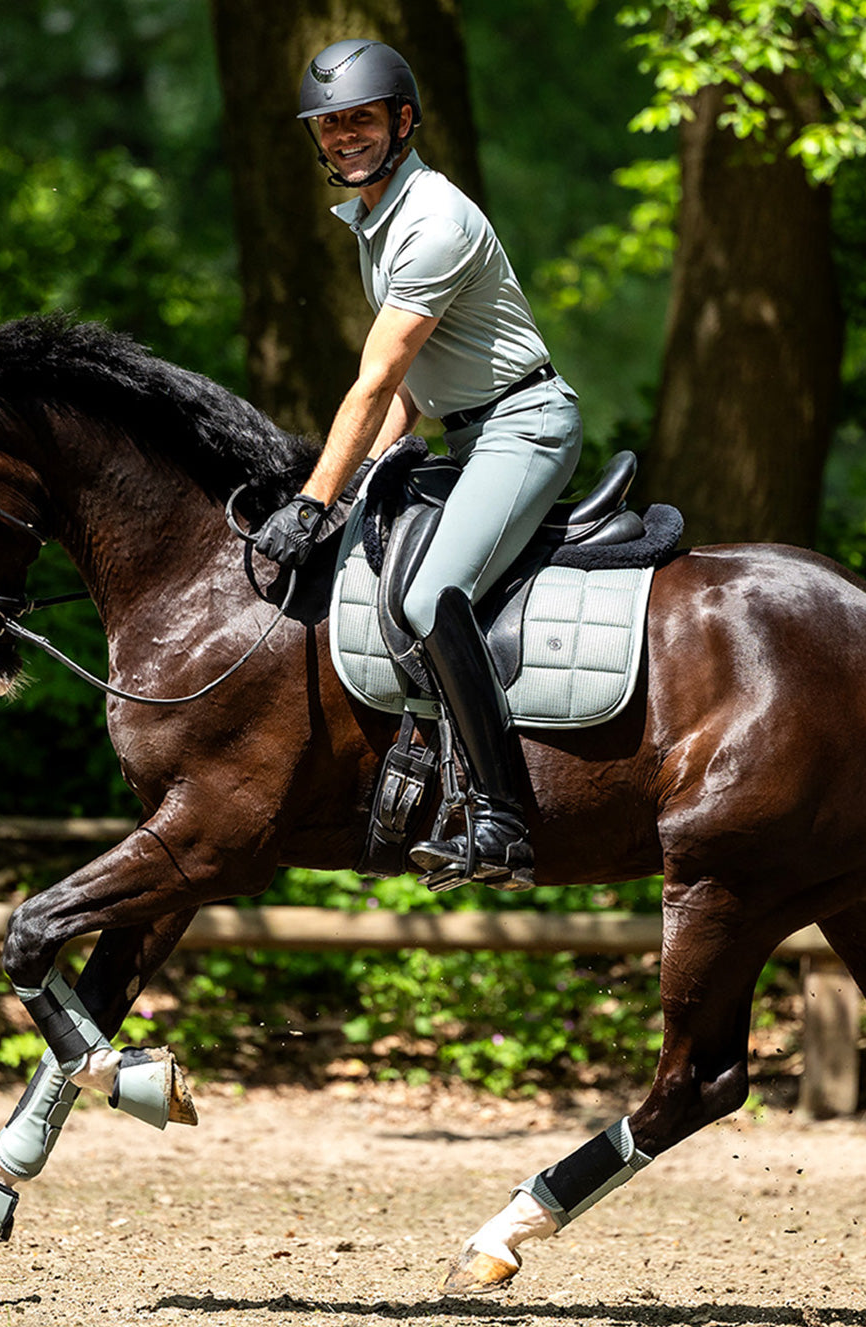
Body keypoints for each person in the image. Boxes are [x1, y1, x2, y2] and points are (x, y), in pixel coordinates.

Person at [254, 38, 582, 890]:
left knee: (431, 595)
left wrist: (316, 499)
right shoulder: (380, 218)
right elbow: (412, 391)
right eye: (328, 126)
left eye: (359, 119)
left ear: (402, 121)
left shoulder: (433, 221)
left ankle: (503, 823)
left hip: (526, 427)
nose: (342, 137)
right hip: (465, 433)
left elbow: (377, 380)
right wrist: (368, 470)